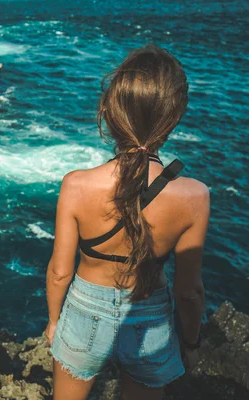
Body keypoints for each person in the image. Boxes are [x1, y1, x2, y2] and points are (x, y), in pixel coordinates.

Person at [44, 44, 209, 400]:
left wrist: (55, 322)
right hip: (150, 317)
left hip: (84, 310)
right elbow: (189, 291)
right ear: (173, 116)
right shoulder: (195, 196)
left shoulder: (76, 184)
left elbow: (59, 272)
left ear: (111, 111)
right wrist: (191, 342)